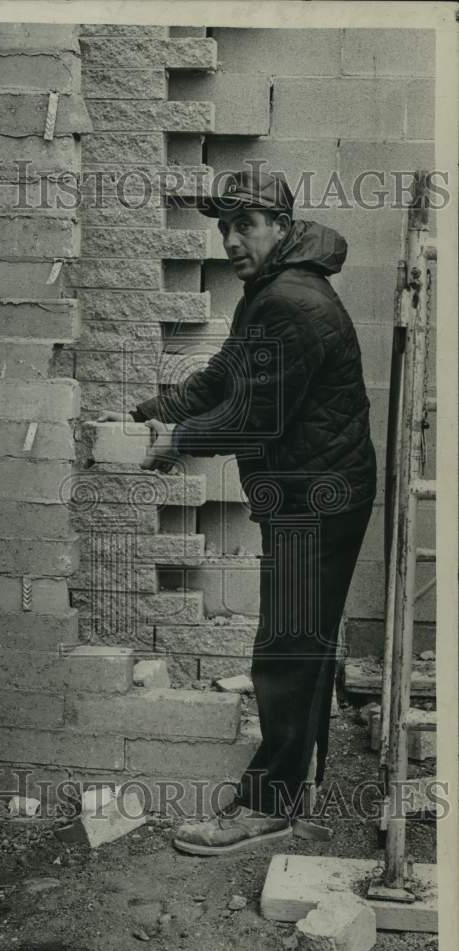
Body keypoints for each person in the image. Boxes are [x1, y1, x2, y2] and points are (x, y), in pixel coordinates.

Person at [98, 169, 377, 854]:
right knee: (301, 643)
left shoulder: (292, 300)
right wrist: (148, 413)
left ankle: (267, 806)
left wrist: (174, 443)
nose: (229, 240)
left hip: (316, 497)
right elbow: (225, 376)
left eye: (243, 225)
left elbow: (256, 415)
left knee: (284, 649)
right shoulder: (269, 290)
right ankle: (294, 787)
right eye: (222, 226)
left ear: (279, 226)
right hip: (308, 488)